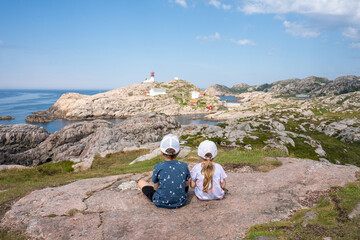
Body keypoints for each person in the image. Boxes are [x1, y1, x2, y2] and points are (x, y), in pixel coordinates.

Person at [138, 134, 190, 209]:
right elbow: (187, 185)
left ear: (161, 152)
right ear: (179, 151)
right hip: (181, 201)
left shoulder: (158, 167)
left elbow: (155, 188)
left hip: (161, 201)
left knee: (141, 182)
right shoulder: (184, 165)